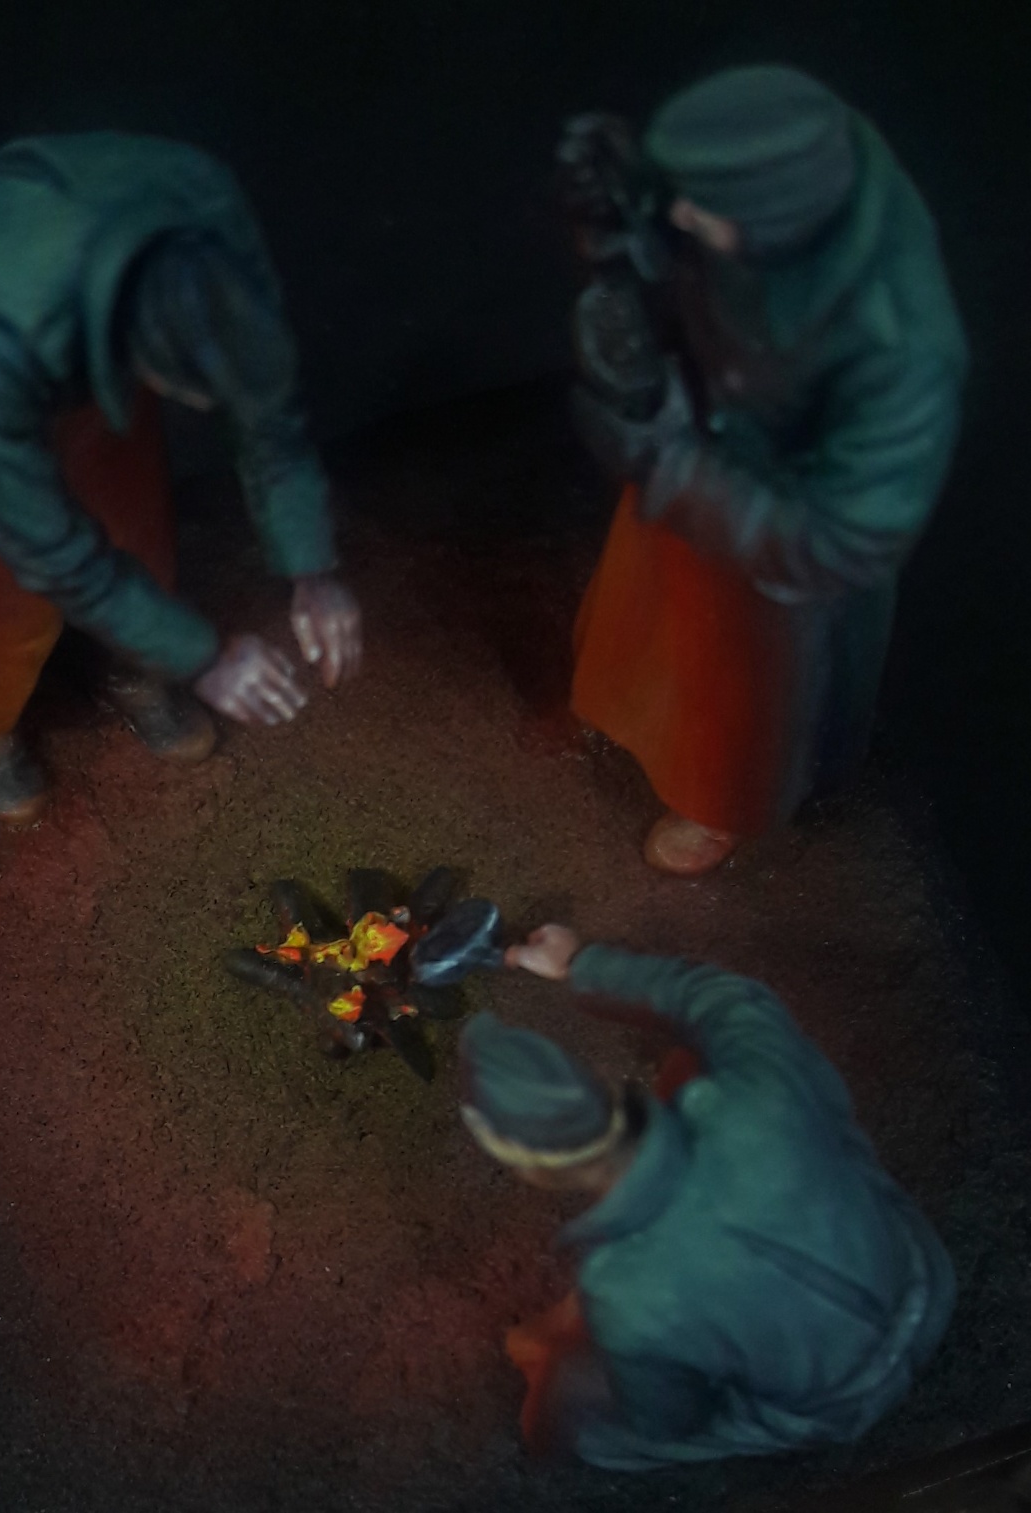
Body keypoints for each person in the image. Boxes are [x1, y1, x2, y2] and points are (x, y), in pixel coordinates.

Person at [0, 131, 362, 825]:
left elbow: (266, 405)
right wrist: (205, 655)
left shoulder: (205, 208)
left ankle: (136, 672)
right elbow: (42, 544)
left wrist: (310, 567)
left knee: (136, 522)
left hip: (83, 329)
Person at [559, 66, 967, 875]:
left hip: (777, 525)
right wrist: (622, 227)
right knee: (649, 608)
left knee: (744, 681)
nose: (683, 215)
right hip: (710, 424)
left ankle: (718, 800)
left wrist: (672, 467)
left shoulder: (900, 355)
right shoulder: (793, 171)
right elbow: (686, 238)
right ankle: (631, 706)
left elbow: (839, 540)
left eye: (701, 208)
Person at [458, 923, 956, 1472]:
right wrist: (578, 962)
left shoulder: (626, 1290)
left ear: (528, 1167)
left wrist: (586, 1362)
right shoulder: (752, 1092)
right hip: (924, 1275)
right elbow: (725, 998)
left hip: (840, 1399)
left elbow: (671, 1419)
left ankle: (551, 1427)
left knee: (584, 1408)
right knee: (702, 1055)